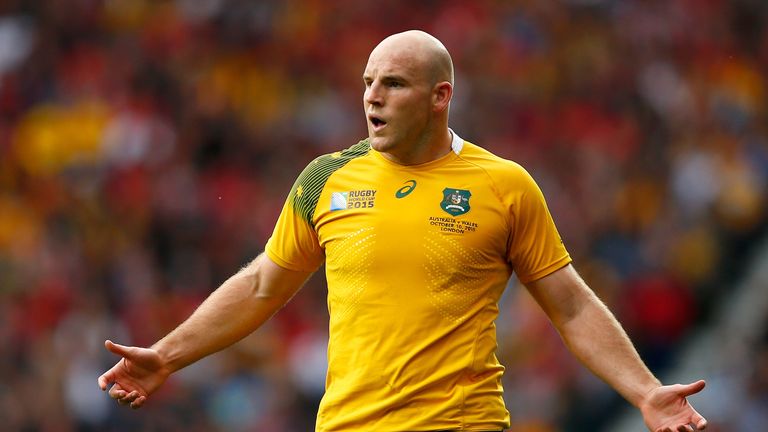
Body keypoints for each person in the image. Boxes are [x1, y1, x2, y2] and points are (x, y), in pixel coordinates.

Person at [98, 30, 707, 432]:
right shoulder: (326, 180)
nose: (373, 97)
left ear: (440, 97)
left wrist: (645, 391)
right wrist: (166, 357)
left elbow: (570, 304)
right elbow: (262, 286)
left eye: (393, 84)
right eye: (368, 82)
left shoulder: (504, 185)